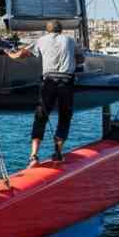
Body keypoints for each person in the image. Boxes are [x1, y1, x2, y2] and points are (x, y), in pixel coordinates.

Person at [6, 20, 84, 168]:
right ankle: (58, 153)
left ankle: (34, 156)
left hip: (49, 82)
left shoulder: (41, 40)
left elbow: (22, 54)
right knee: (64, 117)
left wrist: (10, 54)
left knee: (40, 117)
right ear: (60, 30)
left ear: (47, 30)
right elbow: (81, 59)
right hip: (66, 82)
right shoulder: (70, 40)